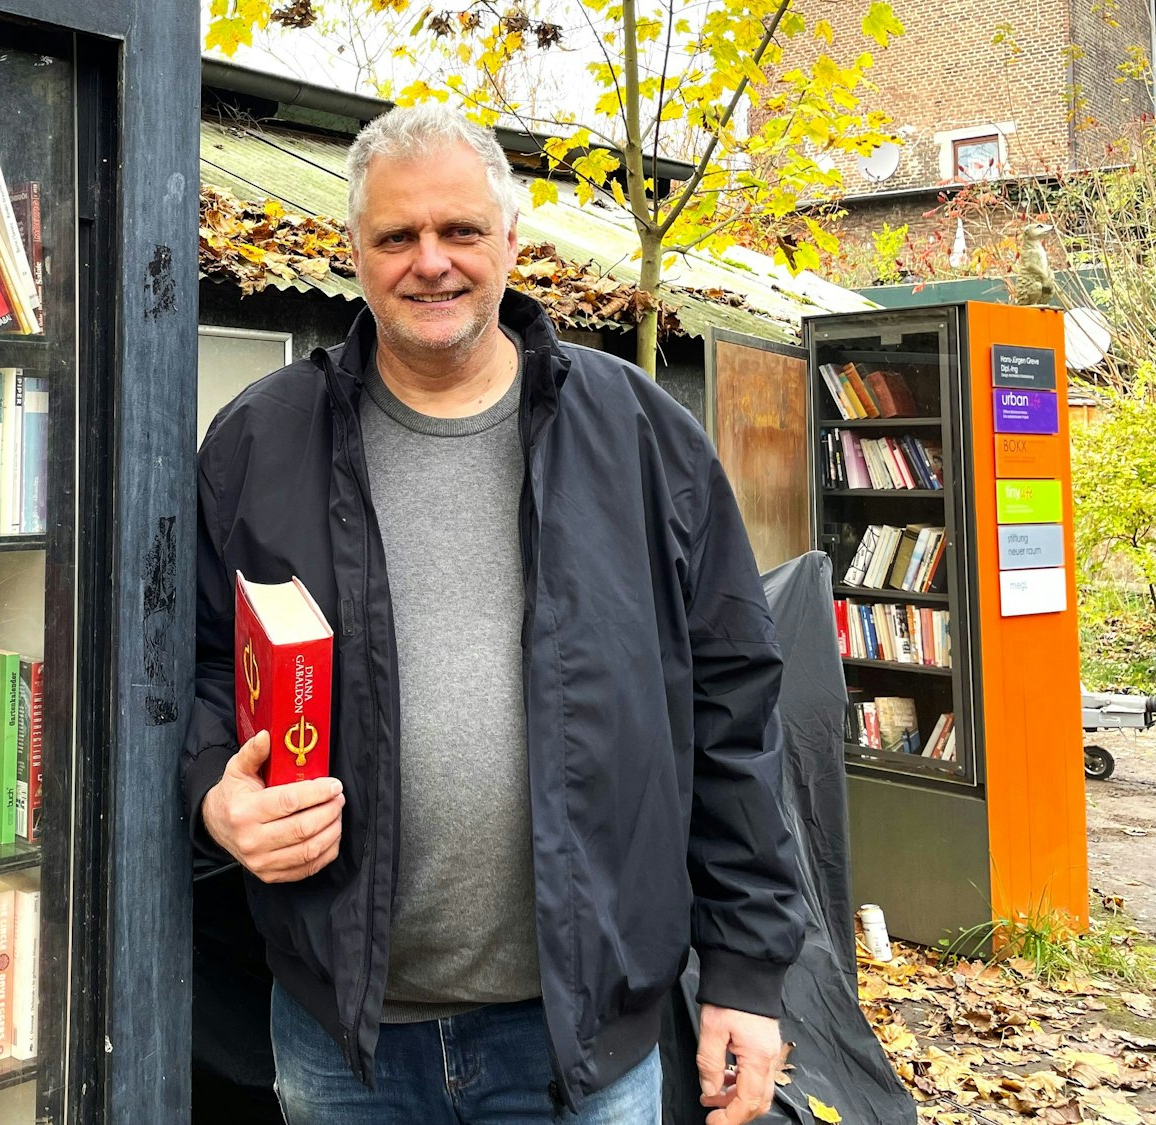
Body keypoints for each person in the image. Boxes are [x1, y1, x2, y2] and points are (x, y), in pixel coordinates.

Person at [183, 102, 806, 1125]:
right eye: (396, 236)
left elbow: (732, 714)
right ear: (353, 252)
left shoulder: (643, 439)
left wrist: (745, 972)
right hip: (343, 1039)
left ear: (511, 241)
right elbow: (199, 671)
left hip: (579, 1045)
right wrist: (215, 796)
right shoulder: (260, 441)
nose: (430, 261)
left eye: (460, 231)